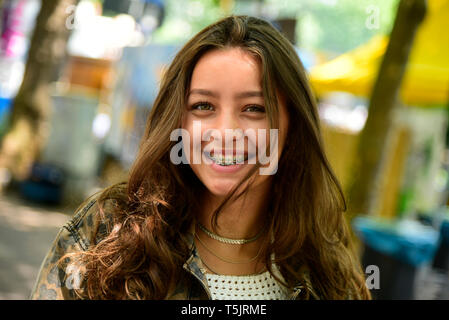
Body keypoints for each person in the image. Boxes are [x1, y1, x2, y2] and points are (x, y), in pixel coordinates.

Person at [30, 15, 371, 300]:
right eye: (203, 106)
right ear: (178, 119)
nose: (224, 132)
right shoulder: (110, 231)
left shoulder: (328, 265)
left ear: (292, 125)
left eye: (254, 108)